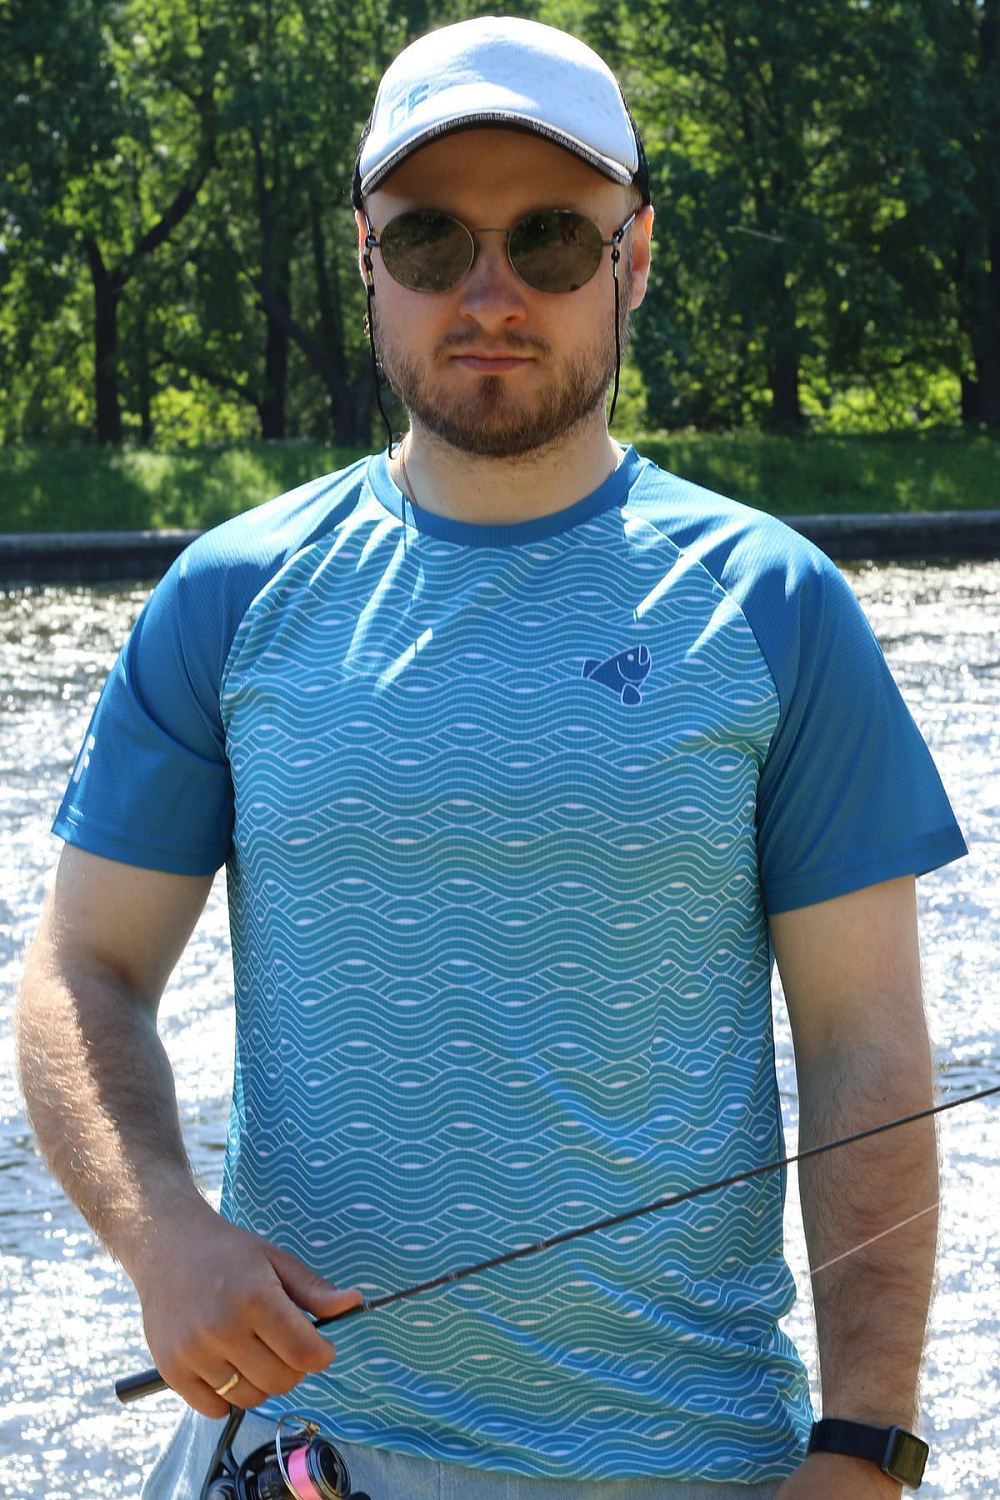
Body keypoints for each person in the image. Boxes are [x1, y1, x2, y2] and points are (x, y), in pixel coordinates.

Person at [16, 17, 967, 1500]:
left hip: (691, 1466)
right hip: (299, 1458)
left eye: (551, 239)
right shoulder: (229, 596)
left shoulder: (776, 607)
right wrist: (161, 1235)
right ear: (366, 256)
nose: (490, 293)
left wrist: (862, 1450)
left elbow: (868, 1055)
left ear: (634, 255)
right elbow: (83, 970)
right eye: (429, 240)